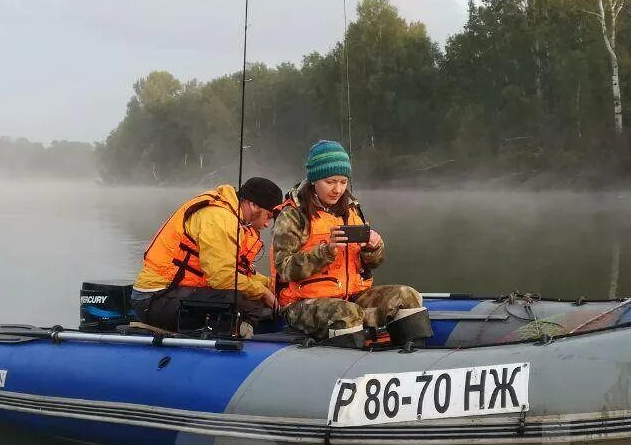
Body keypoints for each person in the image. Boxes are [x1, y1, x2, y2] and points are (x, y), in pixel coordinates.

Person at [272, 141, 430, 346]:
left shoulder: (352, 210)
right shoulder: (292, 216)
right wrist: (325, 251)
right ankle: (347, 366)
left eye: (343, 182)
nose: (337, 189)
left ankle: (414, 356)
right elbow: (284, 269)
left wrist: (373, 247)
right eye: (330, 182)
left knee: (407, 295)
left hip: (353, 297)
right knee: (347, 313)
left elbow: (372, 263)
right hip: (301, 304)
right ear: (314, 180)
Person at [132, 177, 282, 334]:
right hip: (155, 297)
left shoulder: (229, 215)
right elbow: (222, 278)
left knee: (250, 296)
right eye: (269, 216)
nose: (266, 224)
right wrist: (263, 292)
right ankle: (239, 336)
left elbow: (236, 272)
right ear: (253, 205)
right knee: (237, 301)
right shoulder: (219, 218)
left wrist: (270, 284)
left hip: (178, 292)